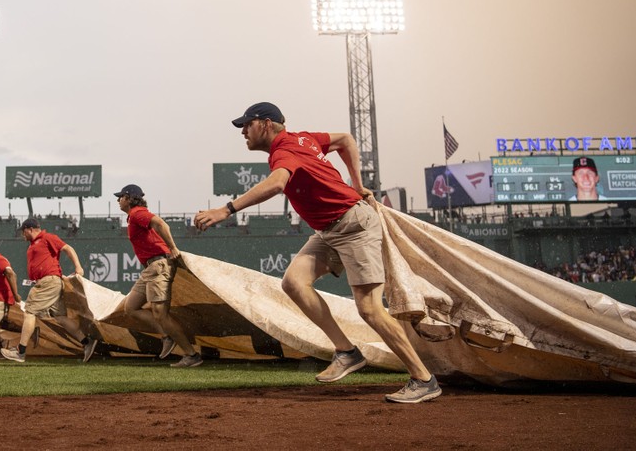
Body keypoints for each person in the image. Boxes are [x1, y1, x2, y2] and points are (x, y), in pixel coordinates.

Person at [193, 102, 441, 403]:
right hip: (331, 230)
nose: (243, 131)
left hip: (354, 226)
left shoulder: (284, 150)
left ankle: (423, 379)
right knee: (294, 282)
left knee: (370, 309)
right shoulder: (305, 139)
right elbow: (346, 140)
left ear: (266, 124)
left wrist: (226, 209)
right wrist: (358, 184)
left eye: (248, 124)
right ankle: (347, 352)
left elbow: (276, 184)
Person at [115, 184, 201, 368]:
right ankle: (166, 335)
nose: (118, 200)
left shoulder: (138, 212)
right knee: (130, 307)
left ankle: (192, 355)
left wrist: (173, 248)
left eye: (121, 196)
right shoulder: (133, 216)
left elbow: (161, 224)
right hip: (150, 268)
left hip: (159, 265)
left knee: (161, 314)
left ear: (129, 198)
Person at [1, 217, 97, 363]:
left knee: (29, 312)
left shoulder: (47, 237)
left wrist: (78, 267)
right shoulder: (33, 244)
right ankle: (86, 342)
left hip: (48, 282)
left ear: (29, 229)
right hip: (48, 282)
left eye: (23, 232)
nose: (23, 235)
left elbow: (68, 248)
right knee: (61, 317)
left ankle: (20, 352)